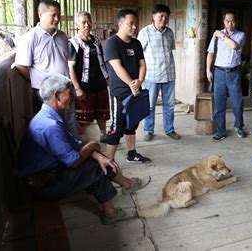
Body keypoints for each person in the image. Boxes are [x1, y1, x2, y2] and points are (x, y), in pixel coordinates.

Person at [15, 74, 151, 225]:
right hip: (44, 185)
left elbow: (74, 143)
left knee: (96, 161)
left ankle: (113, 209)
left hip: (49, 174)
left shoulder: (46, 116)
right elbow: (73, 161)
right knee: (94, 166)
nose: (74, 97)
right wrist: (93, 146)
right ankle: (123, 189)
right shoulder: (50, 127)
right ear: (58, 96)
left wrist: (98, 155)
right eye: (70, 93)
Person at [14, 0, 77, 136]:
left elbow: (65, 62)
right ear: (40, 14)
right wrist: (39, 82)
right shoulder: (30, 37)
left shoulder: (62, 36)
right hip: (45, 93)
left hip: (65, 89)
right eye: (53, 15)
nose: (57, 19)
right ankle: (53, 156)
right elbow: (20, 65)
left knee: (70, 124)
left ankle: (74, 155)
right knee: (50, 128)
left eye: (58, 15)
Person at [102, 9, 151, 163]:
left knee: (133, 123)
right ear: (120, 24)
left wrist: (139, 81)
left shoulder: (136, 43)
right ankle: (109, 161)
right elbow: (117, 67)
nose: (134, 27)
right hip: (120, 92)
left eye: (136, 24)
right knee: (117, 127)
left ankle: (131, 153)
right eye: (131, 24)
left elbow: (142, 64)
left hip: (135, 89)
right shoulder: (112, 43)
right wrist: (132, 84)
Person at [138, 4, 180, 142]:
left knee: (169, 105)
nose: (163, 18)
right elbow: (139, 55)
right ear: (153, 16)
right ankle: (148, 130)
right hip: (152, 75)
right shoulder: (145, 32)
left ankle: (169, 129)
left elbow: (170, 50)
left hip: (169, 74)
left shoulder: (170, 32)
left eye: (166, 16)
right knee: (150, 105)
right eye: (160, 15)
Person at [206, 10, 247, 142]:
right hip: (219, 73)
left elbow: (234, 45)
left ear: (236, 22)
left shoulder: (241, 35)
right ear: (224, 21)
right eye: (227, 21)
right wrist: (208, 70)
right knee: (219, 104)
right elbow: (210, 53)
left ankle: (239, 126)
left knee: (237, 102)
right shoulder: (216, 36)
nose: (230, 24)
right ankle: (221, 131)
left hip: (234, 72)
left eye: (233, 21)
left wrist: (222, 36)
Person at [68, 11, 110, 142]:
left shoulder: (96, 40)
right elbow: (71, 68)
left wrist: (107, 79)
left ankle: (103, 135)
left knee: (102, 113)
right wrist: (77, 88)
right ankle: (82, 140)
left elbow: (102, 61)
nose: (87, 25)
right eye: (83, 22)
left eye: (89, 21)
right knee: (84, 116)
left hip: (100, 82)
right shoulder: (73, 43)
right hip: (84, 85)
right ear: (77, 25)